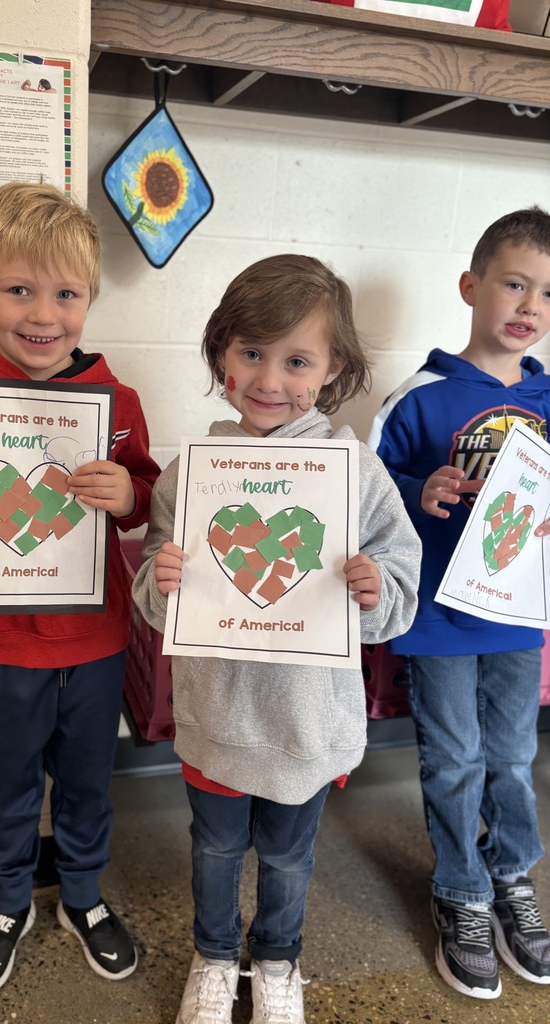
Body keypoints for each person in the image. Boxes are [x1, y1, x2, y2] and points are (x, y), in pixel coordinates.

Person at [131, 254, 421, 1024]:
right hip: (218, 721)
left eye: (297, 360)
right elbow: (155, 603)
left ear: (332, 371)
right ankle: (216, 956)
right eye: (250, 352)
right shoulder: (190, 474)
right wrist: (156, 581)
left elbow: (399, 585)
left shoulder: (355, 471)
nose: (269, 378)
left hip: (306, 725)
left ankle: (279, 961)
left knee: (290, 858)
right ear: (222, 354)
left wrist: (374, 589)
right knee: (216, 851)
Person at [0, 181, 160, 997]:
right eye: (18, 290)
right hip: (0, 645)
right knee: (7, 786)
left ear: (88, 298)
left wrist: (128, 497)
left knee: (86, 783)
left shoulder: (117, 404)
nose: (43, 314)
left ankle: (82, 894)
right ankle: (10, 900)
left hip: (97, 645)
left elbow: (145, 497)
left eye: (66, 294)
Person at [368, 206, 550, 1000]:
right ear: (472, 285)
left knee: (512, 757)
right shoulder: (420, 396)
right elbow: (368, 493)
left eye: (548, 294)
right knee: (454, 759)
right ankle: (462, 891)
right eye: (514, 284)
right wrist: (419, 489)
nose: (530, 307)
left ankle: (512, 877)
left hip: (517, 617)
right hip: (436, 620)